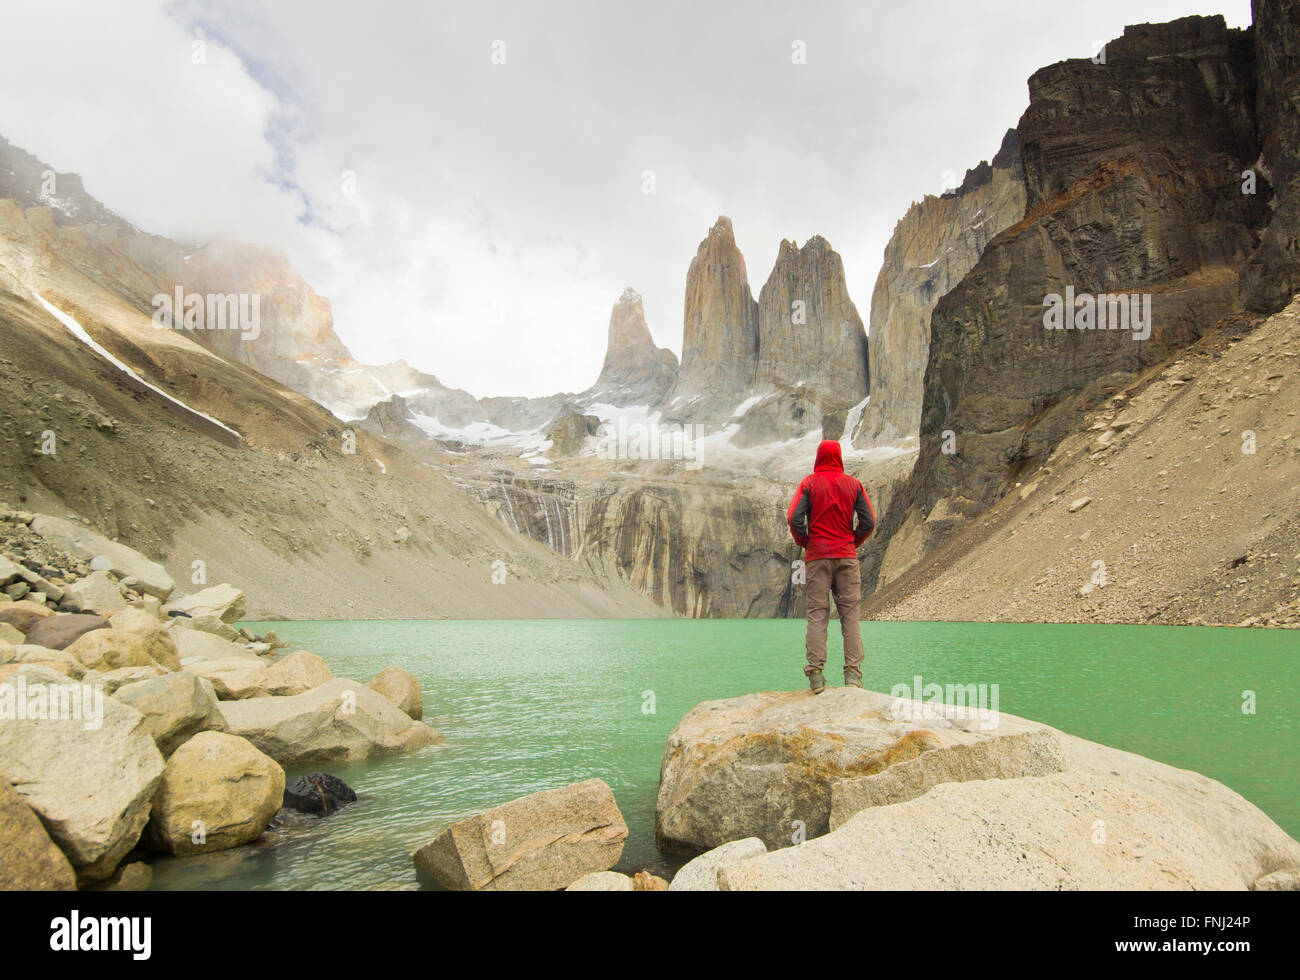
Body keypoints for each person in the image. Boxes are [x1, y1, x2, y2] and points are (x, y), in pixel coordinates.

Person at [785, 439, 876, 694]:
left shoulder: (809, 483)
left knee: (816, 614)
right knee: (850, 616)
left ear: (818, 457)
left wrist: (804, 540)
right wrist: (853, 542)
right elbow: (869, 520)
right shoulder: (854, 485)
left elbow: (794, 517)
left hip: (817, 558)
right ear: (839, 457)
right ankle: (853, 676)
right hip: (847, 557)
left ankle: (815, 675)